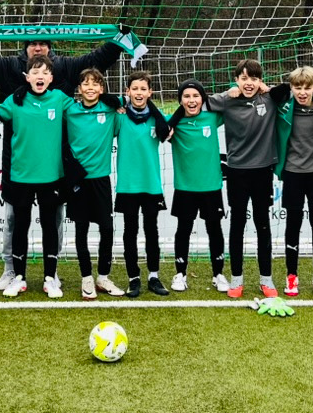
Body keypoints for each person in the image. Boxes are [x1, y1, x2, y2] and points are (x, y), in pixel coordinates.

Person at [0, 27, 126, 293]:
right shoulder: (9, 75)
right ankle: (13, 272)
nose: (38, 47)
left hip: (55, 169)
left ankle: (51, 274)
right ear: (26, 71)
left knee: (52, 221)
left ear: (51, 71)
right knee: (15, 222)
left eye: (43, 43)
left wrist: (113, 94)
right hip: (18, 167)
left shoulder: (63, 85)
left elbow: (94, 69)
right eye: (32, 43)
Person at [0, 55, 73, 298]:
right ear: (27, 77)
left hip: (51, 177)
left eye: (45, 72)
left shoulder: (59, 99)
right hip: (21, 176)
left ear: (51, 78)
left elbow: (84, 111)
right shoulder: (15, 100)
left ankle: (50, 278)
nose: (40, 76)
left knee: (50, 226)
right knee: (20, 227)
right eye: (35, 72)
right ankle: (19, 277)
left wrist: (115, 102)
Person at [204, 59, 281, 299]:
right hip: (237, 171)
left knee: (263, 224)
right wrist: (228, 91)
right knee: (237, 225)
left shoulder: (270, 98)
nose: (249, 83)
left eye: (254, 79)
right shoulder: (227, 100)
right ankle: (236, 279)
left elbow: (294, 88)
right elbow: (198, 100)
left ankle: (266, 279)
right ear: (236, 79)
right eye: (244, 78)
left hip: (263, 171)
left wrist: (268, 87)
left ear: (261, 80)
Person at [269, 66, 313, 299]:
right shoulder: (284, 106)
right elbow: (265, 91)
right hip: (293, 173)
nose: (302, 92)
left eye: (307, 88)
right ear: (291, 88)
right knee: (293, 222)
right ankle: (292, 275)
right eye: (297, 87)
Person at [64, 68, 124, 300]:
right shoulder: (70, 110)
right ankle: (86, 278)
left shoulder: (110, 111)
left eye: (95, 84)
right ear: (79, 89)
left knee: (107, 228)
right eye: (86, 84)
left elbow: (129, 112)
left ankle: (103, 277)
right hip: (77, 180)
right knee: (81, 230)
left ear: (101, 89)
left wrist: (118, 103)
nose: (90, 88)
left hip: (101, 179)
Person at [113, 70, 171, 297]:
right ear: (127, 91)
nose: (139, 93)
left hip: (151, 185)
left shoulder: (158, 119)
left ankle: (153, 276)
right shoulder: (119, 116)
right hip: (128, 186)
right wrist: (119, 104)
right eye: (134, 89)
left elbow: (171, 128)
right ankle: (133, 278)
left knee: (151, 231)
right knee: (130, 231)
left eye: (143, 89)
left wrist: (157, 111)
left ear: (150, 92)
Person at [167, 80, 227, 293]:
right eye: (186, 96)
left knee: (214, 229)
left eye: (196, 96)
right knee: (183, 230)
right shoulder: (173, 124)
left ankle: (218, 274)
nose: (191, 100)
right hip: (185, 187)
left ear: (203, 99)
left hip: (211, 186)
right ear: (180, 100)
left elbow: (230, 102)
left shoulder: (212, 117)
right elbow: (156, 124)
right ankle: (180, 274)